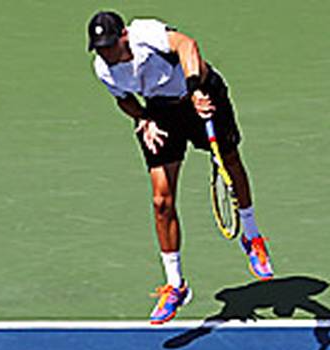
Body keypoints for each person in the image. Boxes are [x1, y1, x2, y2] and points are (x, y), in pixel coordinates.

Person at [87, 10, 274, 324]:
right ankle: (176, 286)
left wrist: (195, 89)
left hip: (201, 93)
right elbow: (123, 98)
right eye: (99, 47)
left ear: (124, 36)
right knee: (161, 201)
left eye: (109, 45)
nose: (106, 53)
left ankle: (252, 237)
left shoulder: (146, 33)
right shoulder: (103, 69)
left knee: (230, 162)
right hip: (161, 115)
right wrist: (142, 118)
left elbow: (187, 46)